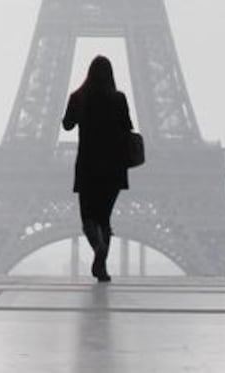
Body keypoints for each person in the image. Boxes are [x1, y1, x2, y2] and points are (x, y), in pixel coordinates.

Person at [62, 55, 133, 283]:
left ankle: (98, 248)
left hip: (88, 164)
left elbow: (67, 124)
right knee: (105, 219)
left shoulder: (78, 97)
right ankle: (101, 266)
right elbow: (127, 128)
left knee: (88, 218)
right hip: (114, 165)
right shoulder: (119, 98)